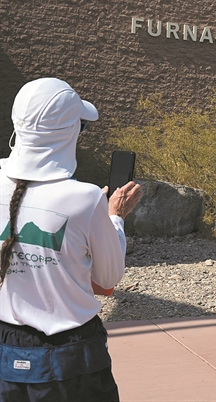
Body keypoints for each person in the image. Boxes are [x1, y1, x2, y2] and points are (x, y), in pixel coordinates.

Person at [0, 77, 142, 401]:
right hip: (71, 358)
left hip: (6, 349)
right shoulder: (86, 199)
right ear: (70, 134)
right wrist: (115, 217)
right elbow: (108, 276)